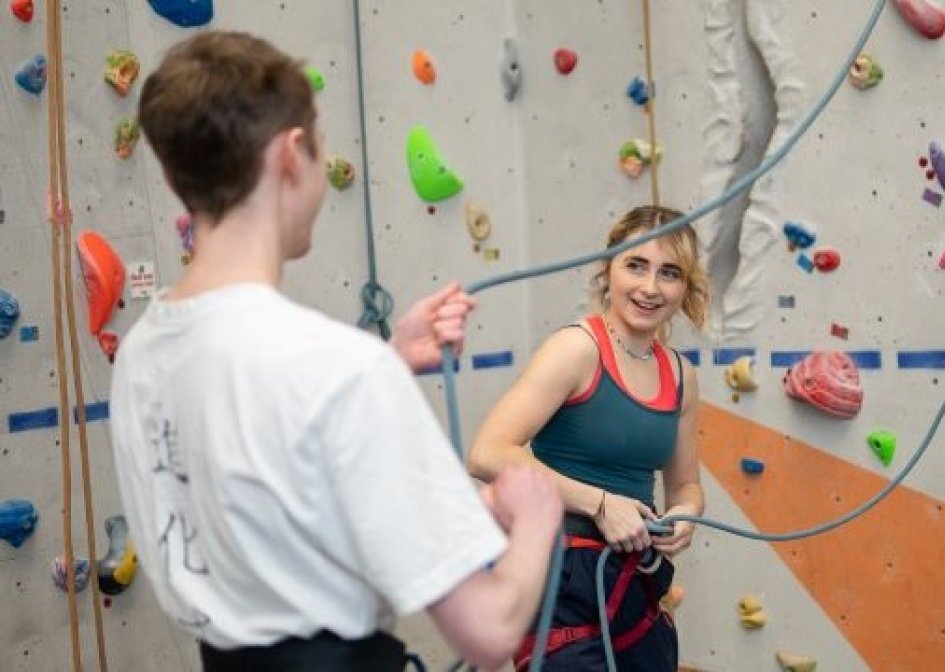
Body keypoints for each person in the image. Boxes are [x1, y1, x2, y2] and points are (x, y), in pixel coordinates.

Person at [110, 31, 561, 671]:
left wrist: (387, 359)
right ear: (293, 155)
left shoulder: (143, 353)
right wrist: (536, 516)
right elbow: (489, 631)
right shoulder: (340, 372)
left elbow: (265, 490)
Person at [469, 205, 709, 670]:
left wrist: (686, 513)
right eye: (635, 265)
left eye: (669, 273)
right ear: (608, 270)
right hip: (562, 571)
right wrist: (601, 503)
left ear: (686, 287)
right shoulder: (577, 349)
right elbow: (487, 452)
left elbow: (684, 484)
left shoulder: (681, 375)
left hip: (633, 574)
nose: (649, 287)